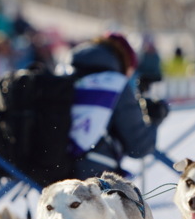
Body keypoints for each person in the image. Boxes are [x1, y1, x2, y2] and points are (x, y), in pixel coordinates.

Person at [68, 32, 168, 179]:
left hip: (53, 168)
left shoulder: (65, 72)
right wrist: (154, 118)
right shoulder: (114, 83)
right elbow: (138, 147)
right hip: (92, 175)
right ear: (125, 62)